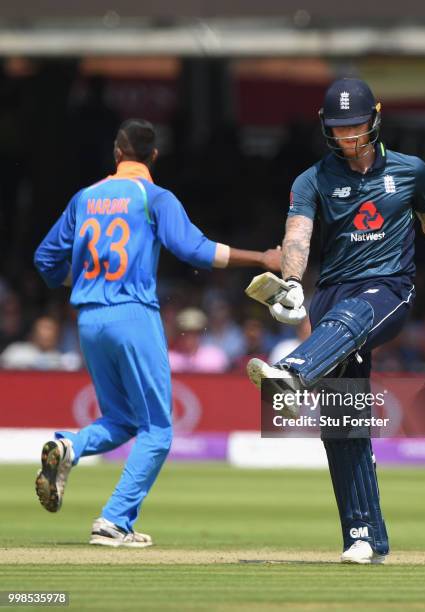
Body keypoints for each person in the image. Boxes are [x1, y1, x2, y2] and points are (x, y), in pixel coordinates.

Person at [246, 78, 425, 564]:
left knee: (356, 314)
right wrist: (292, 282)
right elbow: (298, 233)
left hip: (389, 291)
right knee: (343, 420)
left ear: (375, 119)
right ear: (326, 129)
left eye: (356, 125)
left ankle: (295, 373)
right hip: (331, 300)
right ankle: (365, 536)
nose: (349, 136)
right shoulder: (312, 179)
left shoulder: (411, 171)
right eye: (339, 129)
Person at [33, 118, 281, 548]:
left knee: (121, 419)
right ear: (154, 157)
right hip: (132, 315)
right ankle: (114, 520)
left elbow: (45, 259)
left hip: (89, 320)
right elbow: (195, 250)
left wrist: (82, 283)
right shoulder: (154, 196)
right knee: (158, 430)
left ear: (116, 153)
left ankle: (68, 446)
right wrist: (260, 256)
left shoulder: (85, 197)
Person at [169, 307, 229, 373]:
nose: (189, 337)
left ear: (201, 333)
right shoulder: (170, 358)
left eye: (194, 332)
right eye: (184, 333)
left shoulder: (215, 356)